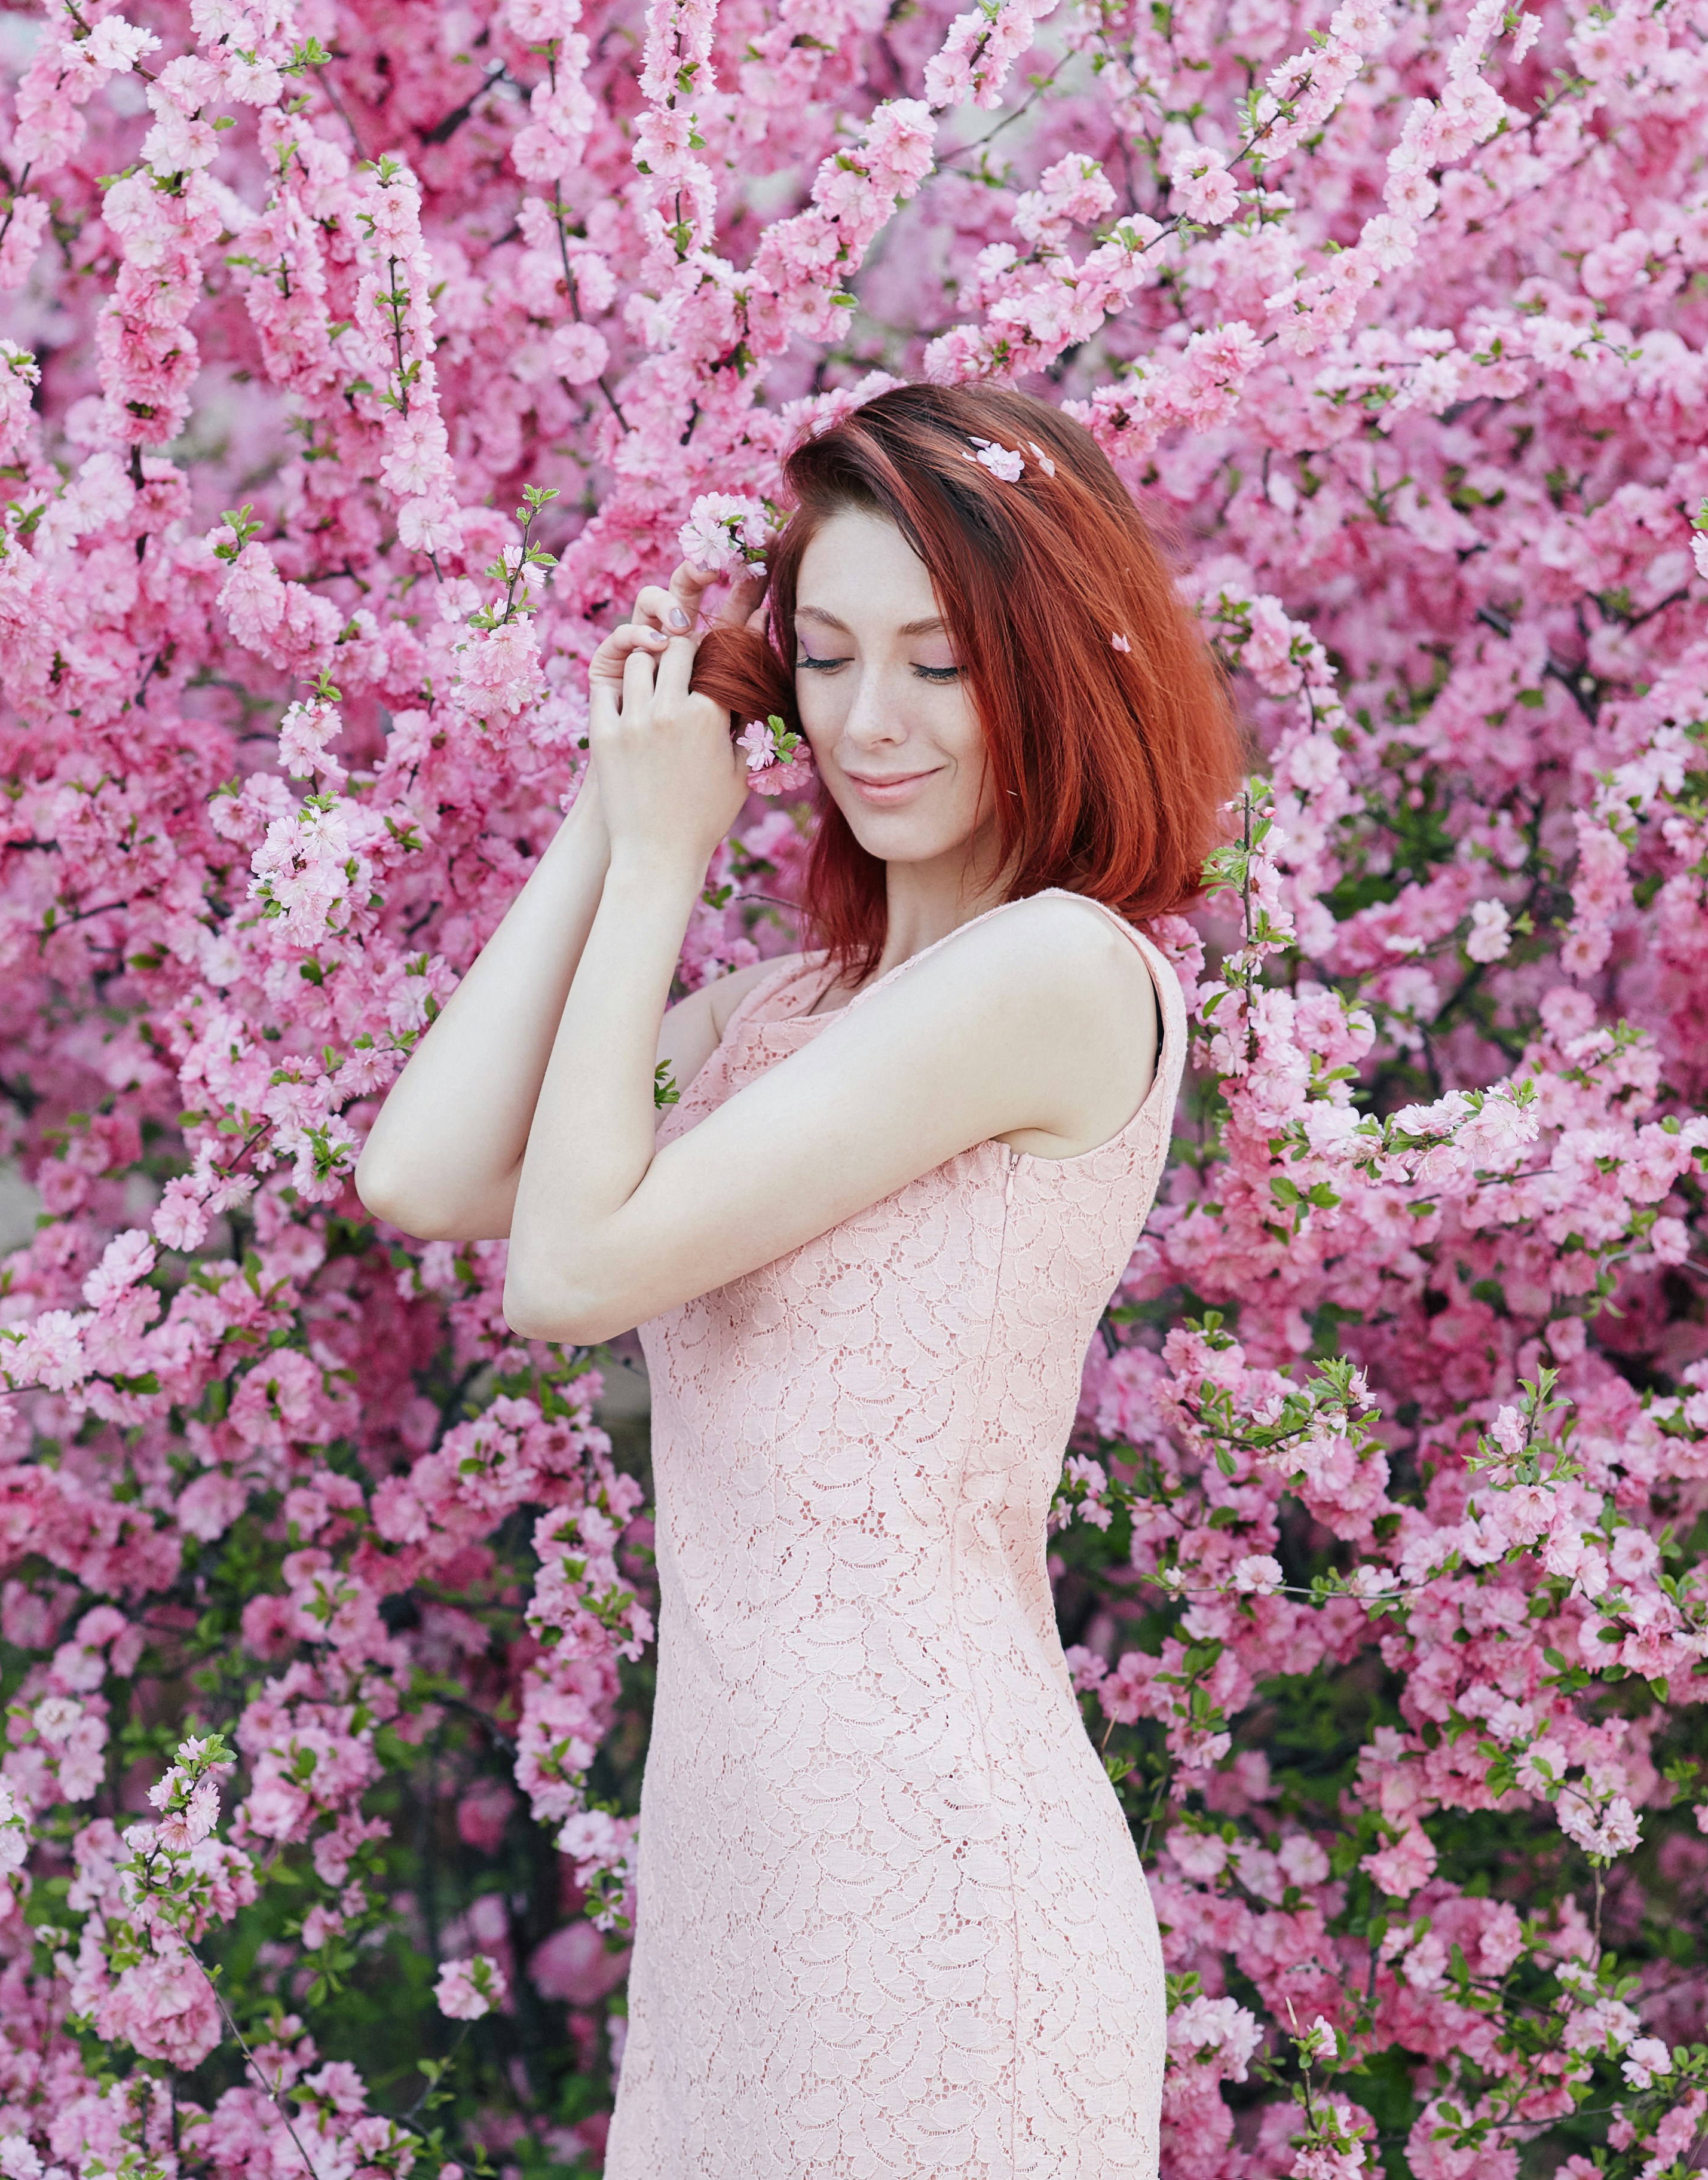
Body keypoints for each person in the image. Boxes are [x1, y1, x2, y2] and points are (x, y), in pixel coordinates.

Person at [356, 381, 1248, 2177]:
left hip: (935, 1879)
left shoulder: (1060, 975)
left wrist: (674, 858)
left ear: (1055, 668)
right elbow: (426, 1173)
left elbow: (573, 1272)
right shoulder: (779, 1021)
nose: (868, 721)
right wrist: (619, 821)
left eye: (938, 661)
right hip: (737, 1890)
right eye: (825, 658)